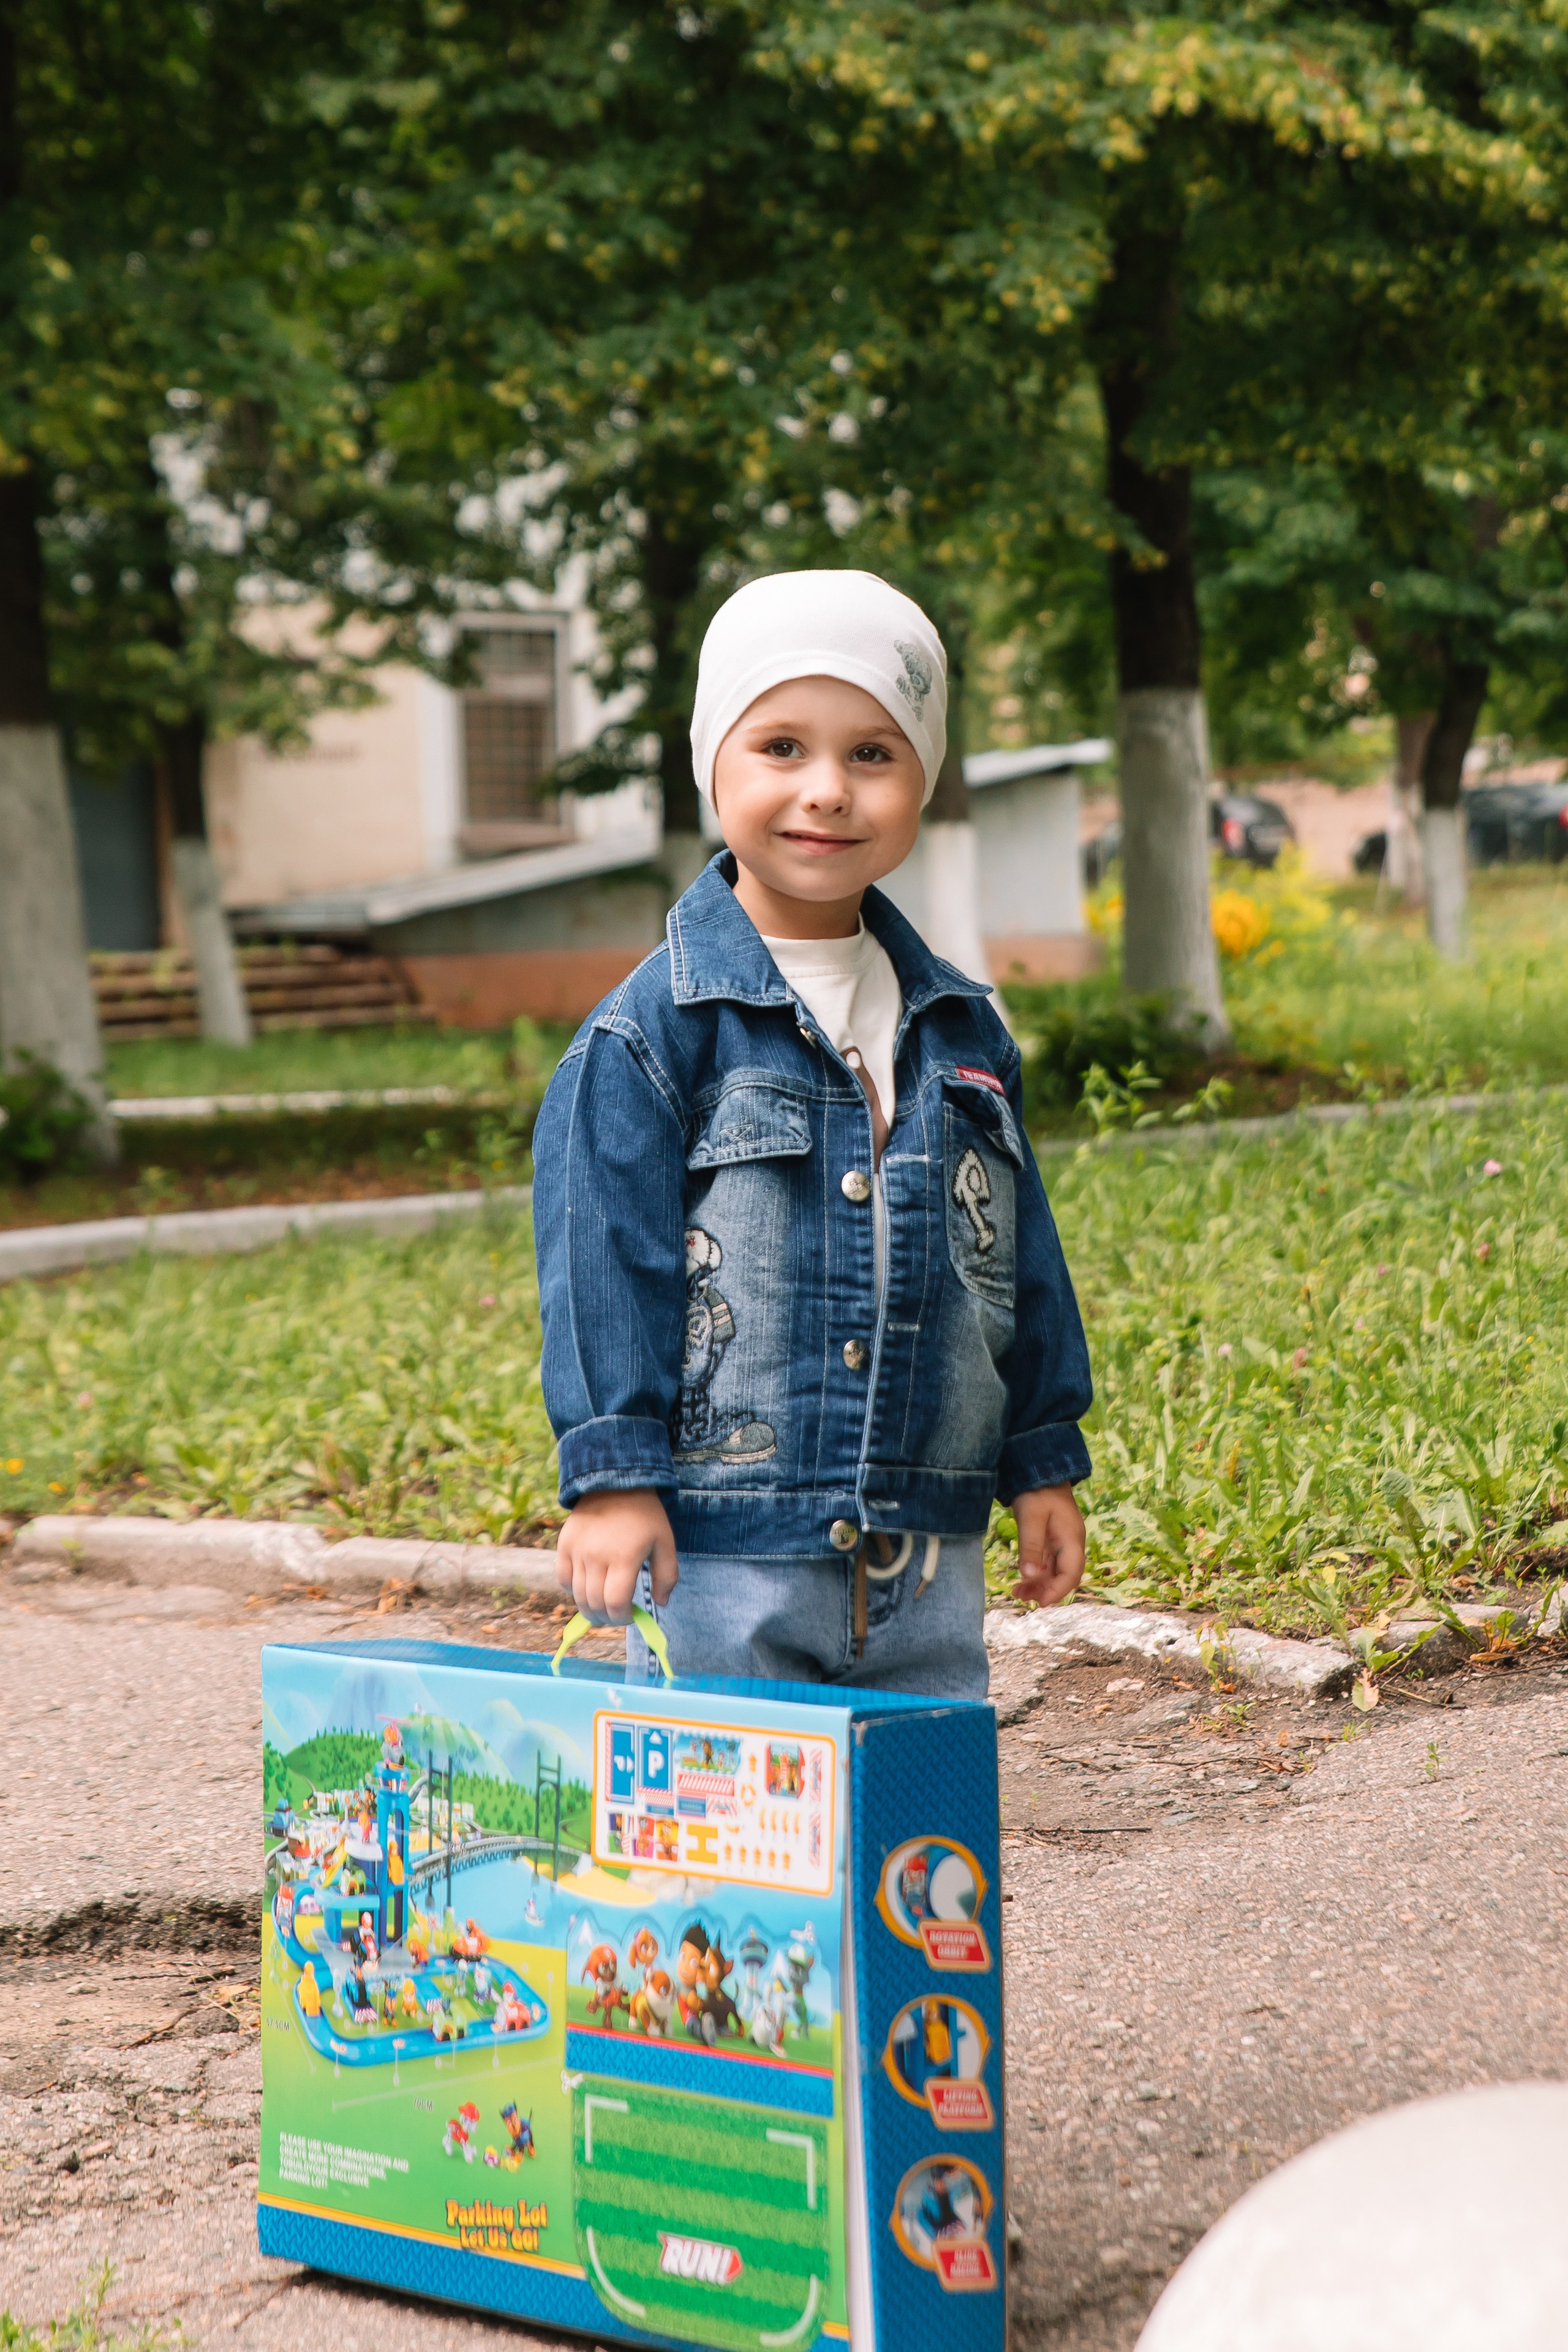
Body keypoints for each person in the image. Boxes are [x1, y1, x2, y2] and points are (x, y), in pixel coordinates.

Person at [532, 568, 1091, 1696]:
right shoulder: (652, 1034)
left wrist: (1041, 1461)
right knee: (730, 1857)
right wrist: (613, 1477)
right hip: (729, 1552)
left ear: (922, 779)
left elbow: (1018, 1257)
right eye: (781, 747)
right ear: (714, 765)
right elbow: (604, 1263)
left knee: (915, 1856)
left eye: (873, 754)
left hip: (927, 1545)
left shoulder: (963, 1027)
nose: (827, 790)